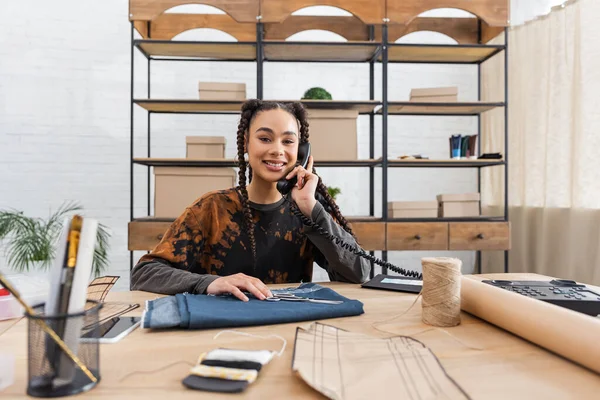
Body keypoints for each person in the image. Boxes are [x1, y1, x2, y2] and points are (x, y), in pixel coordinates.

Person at [130, 99, 370, 301]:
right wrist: (210, 283)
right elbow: (144, 274)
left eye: (288, 141)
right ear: (246, 143)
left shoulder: (306, 211)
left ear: (302, 151)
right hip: (217, 330)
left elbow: (360, 273)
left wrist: (311, 209)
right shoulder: (210, 208)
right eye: (265, 138)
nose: (278, 150)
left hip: (285, 326)